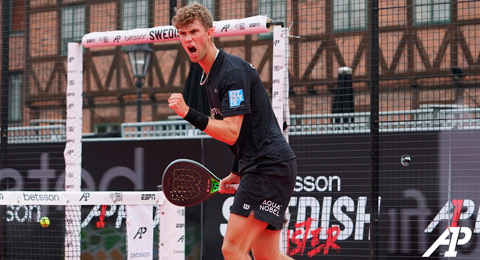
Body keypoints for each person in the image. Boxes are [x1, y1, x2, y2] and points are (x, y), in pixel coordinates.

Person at [168, 3, 296, 260]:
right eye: (182, 34)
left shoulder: (231, 73)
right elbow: (250, 131)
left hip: (267, 168)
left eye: (193, 31)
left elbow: (231, 133)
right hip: (265, 166)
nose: (188, 39)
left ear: (209, 32)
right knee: (268, 256)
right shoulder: (212, 75)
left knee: (232, 249)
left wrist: (187, 112)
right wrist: (236, 172)